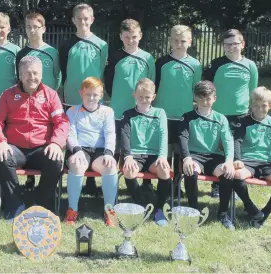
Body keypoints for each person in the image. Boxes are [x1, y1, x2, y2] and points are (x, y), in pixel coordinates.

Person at [0, 56, 69, 222]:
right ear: (20, 74)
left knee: (55, 161)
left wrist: (56, 143)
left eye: (35, 73)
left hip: (42, 148)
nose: (32, 77)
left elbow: (61, 122)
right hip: (15, 148)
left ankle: (42, 204)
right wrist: (1, 142)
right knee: (3, 158)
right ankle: (15, 206)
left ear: (42, 74)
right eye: (27, 73)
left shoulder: (51, 95)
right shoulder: (8, 95)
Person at [59, 3, 108, 195]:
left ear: (92, 20)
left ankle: (91, 181)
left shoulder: (102, 44)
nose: (83, 21)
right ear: (73, 20)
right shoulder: (66, 44)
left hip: (95, 100)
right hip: (72, 98)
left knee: (94, 137)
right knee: (72, 137)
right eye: (79, 18)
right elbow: (63, 70)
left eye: (86, 18)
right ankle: (71, 176)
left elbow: (102, 70)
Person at [203, 29, 258, 198]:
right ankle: (217, 185)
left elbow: (253, 91)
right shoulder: (216, 64)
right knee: (217, 149)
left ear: (242, 44)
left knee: (234, 151)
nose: (230, 47)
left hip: (241, 115)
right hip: (218, 115)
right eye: (227, 44)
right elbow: (206, 87)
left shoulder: (250, 65)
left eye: (234, 44)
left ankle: (233, 184)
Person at [104, 18, 155, 194]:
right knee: (117, 147)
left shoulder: (148, 58)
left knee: (141, 146)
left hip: (141, 112)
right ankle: (113, 183)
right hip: (119, 110)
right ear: (121, 37)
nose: (131, 40)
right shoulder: (114, 56)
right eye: (127, 37)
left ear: (140, 36)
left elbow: (151, 83)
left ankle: (146, 183)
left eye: (134, 36)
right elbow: (108, 82)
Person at [178, 80, 236, 230]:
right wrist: (186, 158)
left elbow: (228, 141)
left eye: (208, 98)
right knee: (190, 171)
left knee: (228, 174)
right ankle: (194, 211)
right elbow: (182, 139)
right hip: (194, 156)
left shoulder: (221, 119)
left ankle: (223, 213)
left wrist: (229, 161)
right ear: (195, 98)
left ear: (214, 98)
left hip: (214, 157)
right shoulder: (187, 117)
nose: (205, 101)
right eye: (201, 97)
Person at [154, 25, 202, 197]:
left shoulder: (195, 65)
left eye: (183, 41)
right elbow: (155, 86)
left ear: (189, 42)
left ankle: (177, 185)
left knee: (181, 153)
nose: (179, 44)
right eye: (175, 41)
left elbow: (197, 91)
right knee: (165, 152)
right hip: (164, 116)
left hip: (184, 117)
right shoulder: (161, 62)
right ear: (170, 41)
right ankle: (165, 185)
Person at [16, 12, 62, 190]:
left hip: (47, 101)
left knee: (47, 134)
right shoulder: (22, 53)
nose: (32, 30)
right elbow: (19, 78)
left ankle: (45, 174)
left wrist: (50, 94)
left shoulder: (52, 52)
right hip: (27, 101)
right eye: (29, 27)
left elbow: (57, 76)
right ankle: (29, 179)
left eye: (36, 26)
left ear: (43, 28)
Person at [64, 77, 118, 226]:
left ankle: (109, 210)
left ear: (101, 95)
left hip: (100, 151)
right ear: (81, 93)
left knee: (110, 165)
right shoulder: (72, 111)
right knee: (76, 164)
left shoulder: (107, 111)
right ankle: (72, 210)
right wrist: (76, 150)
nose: (91, 98)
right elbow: (70, 134)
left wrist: (108, 153)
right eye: (88, 94)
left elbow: (110, 134)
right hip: (80, 150)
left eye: (95, 95)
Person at [120, 78, 171, 226]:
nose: (144, 100)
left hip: (154, 155)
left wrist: (162, 156)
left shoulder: (160, 113)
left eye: (147, 97)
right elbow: (125, 137)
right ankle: (141, 206)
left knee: (165, 171)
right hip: (134, 155)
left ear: (153, 97)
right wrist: (128, 157)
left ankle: (159, 209)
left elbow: (163, 135)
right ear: (134, 95)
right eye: (140, 97)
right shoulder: (128, 114)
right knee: (129, 171)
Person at [232, 87, 271, 228]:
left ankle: (264, 213)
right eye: (255, 105)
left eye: (264, 105)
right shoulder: (242, 121)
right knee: (236, 175)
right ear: (251, 104)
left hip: (267, 163)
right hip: (247, 161)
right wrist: (237, 159)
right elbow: (236, 141)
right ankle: (250, 208)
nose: (259, 109)